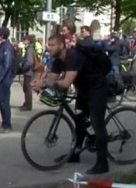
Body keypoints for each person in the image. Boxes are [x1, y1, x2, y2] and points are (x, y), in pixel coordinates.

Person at [33, 35, 110, 175]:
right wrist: (41, 83)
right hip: (84, 90)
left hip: (97, 88)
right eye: (48, 45)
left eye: (52, 45)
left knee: (97, 124)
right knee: (79, 121)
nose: (48, 47)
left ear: (62, 46)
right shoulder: (58, 60)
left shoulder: (73, 56)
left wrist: (46, 83)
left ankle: (102, 163)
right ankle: (75, 153)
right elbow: (52, 79)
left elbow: (66, 83)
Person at [0, 27, 16, 134]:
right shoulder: (3, 46)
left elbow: (7, 63)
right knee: (1, 101)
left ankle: (7, 125)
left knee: (4, 101)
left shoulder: (6, 47)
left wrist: (0, 76)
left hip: (5, 78)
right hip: (3, 77)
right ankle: (4, 123)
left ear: (1, 36)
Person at [19, 35, 37, 111]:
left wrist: (23, 67)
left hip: (28, 72)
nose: (23, 41)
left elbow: (29, 62)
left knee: (27, 88)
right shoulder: (30, 48)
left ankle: (28, 105)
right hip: (29, 71)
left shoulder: (29, 49)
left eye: (25, 40)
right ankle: (26, 103)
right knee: (26, 88)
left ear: (28, 41)